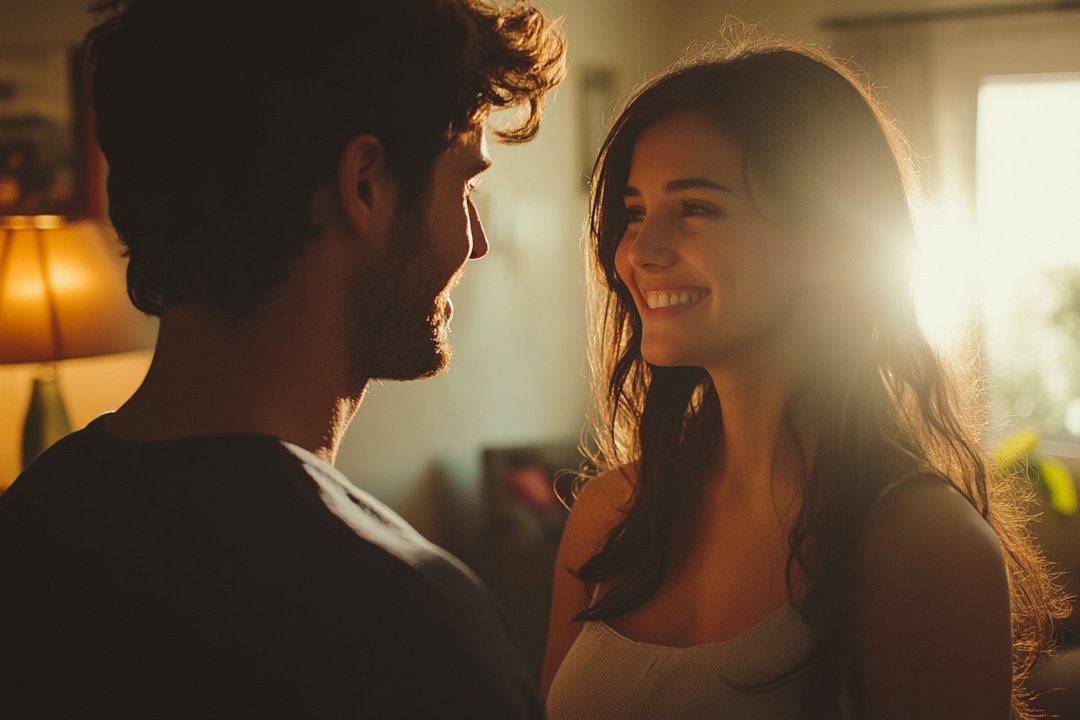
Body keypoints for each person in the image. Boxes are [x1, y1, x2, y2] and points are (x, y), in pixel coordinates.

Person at [0, 1, 564, 718]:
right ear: (363, 184)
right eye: (466, 186)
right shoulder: (411, 637)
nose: (476, 242)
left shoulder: (30, 526)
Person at [541, 35, 1064, 720]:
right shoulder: (610, 516)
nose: (637, 250)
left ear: (827, 242)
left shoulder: (923, 545)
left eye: (695, 208)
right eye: (635, 212)